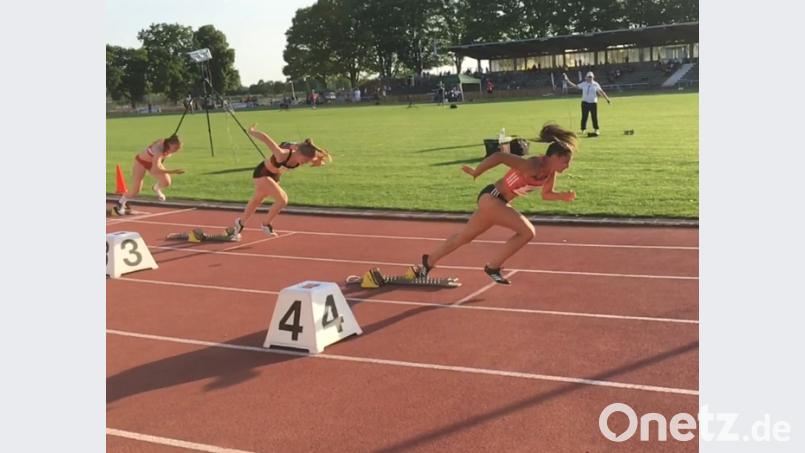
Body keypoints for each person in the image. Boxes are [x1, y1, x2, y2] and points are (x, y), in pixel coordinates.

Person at [410, 123, 578, 285]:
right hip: (492, 198)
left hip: (498, 204)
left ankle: (427, 263)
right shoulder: (533, 164)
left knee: (464, 237)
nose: (567, 166)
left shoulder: (550, 173)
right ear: (554, 157)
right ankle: (493, 267)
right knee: (527, 232)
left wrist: (563, 196)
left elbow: (546, 195)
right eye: (565, 161)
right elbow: (499, 156)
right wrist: (477, 171)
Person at [231, 124, 331, 237]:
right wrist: (252, 131)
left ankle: (240, 223)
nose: (306, 163)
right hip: (262, 174)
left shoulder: (303, 155)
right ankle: (266, 224)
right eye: (306, 160)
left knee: (257, 200)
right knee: (282, 199)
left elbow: (314, 157)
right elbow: (266, 139)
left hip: (274, 177)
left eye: (308, 161)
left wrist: (318, 161)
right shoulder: (281, 154)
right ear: (298, 153)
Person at [115, 135, 184, 214]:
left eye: (179, 148)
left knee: (166, 182)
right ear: (170, 144)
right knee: (135, 191)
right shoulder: (159, 150)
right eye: (176, 148)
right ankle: (121, 202)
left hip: (152, 162)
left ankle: (156, 188)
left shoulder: (167, 145)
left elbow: (156, 164)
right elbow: (155, 170)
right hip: (141, 163)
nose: (177, 150)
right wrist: (173, 171)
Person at [563, 71, 611, 136]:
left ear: (593, 77)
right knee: (584, 117)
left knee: (594, 117)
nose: (590, 78)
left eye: (591, 77)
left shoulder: (595, 84)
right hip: (585, 102)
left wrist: (607, 99)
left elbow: (601, 92)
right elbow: (575, 86)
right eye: (589, 77)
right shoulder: (584, 84)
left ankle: (596, 129)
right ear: (586, 78)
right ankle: (583, 129)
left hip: (593, 103)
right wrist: (567, 80)